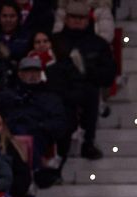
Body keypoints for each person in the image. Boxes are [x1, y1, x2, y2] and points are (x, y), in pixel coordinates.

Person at [50, 0, 116, 161]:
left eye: (81, 17)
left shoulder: (99, 44)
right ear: (66, 18)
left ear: (88, 19)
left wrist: (87, 71)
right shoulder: (55, 42)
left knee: (91, 93)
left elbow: (108, 75)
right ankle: (61, 148)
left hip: (88, 88)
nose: (77, 21)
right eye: (73, 17)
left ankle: (88, 142)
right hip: (61, 89)